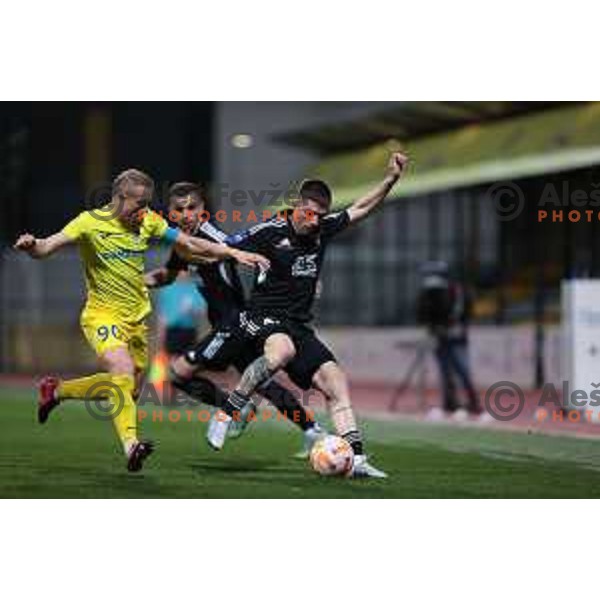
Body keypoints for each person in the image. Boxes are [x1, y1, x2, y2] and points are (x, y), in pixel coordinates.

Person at [13, 169, 268, 472]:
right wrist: (32, 246)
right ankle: (131, 446)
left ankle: (56, 391)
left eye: (148, 204)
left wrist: (230, 251)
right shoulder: (89, 222)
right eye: (139, 204)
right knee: (120, 370)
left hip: (137, 320)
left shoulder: (148, 222)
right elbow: (46, 247)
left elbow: (190, 242)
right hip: (102, 316)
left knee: (126, 390)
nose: (144, 211)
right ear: (120, 198)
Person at [206, 152, 409, 478]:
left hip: (299, 323)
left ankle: (356, 460)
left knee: (336, 383)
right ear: (297, 207)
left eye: (321, 215)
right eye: (310, 214)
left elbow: (360, 208)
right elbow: (225, 244)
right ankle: (226, 413)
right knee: (281, 351)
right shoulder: (270, 230)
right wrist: (235, 252)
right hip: (263, 317)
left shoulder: (323, 228)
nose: (315, 221)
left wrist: (390, 179)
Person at [144, 182, 325, 455]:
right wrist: (136, 281)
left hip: (233, 323)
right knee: (262, 382)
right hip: (228, 323)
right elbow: (168, 275)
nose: (187, 214)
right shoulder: (182, 244)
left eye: (193, 207)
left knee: (178, 373)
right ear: (171, 213)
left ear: (203, 210)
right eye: (180, 209)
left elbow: (255, 249)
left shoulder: (215, 239)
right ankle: (311, 430)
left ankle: (235, 408)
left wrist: (304, 279)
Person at [416, 261, 481, 419]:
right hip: (439, 337)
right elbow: (423, 313)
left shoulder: (458, 291)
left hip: (456, 337)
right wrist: (433, 327)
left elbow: (463, 312)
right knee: (445, 372)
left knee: (462, 370)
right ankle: (450, 403)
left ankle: (474, 403)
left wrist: (451, 325)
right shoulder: (429, 293)